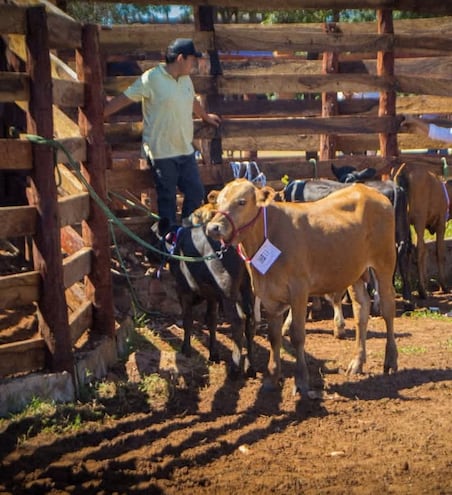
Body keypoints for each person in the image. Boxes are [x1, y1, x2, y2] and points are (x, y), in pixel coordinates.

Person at [104, 38, 221, 225]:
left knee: (196, 192)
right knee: (167, 199)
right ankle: (168, 242)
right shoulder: (151, 78)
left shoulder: (185, 80)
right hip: (161, 151)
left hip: (184, 149)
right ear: (181, 58)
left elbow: (192, 101)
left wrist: (205, 117)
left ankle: (185, 234)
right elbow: (125, 98)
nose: (194, 64)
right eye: (192, 59)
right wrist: (101, 113)